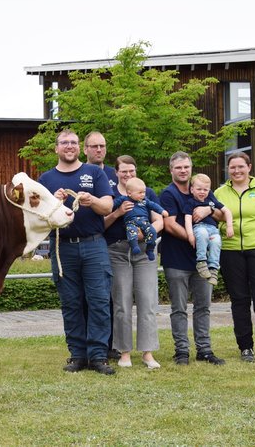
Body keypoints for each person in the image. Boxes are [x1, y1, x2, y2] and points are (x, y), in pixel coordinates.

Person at [39, 129, 115, 375]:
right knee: (71, 303)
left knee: (99, 302)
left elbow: (108, 206)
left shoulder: (94, 172)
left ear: (80, 147)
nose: (69, 146)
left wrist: (92, 200)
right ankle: (77, 355)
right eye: (64, 143)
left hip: (94, 245)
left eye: (73, 142)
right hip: (63, 248)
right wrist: (53, 201)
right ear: (56, 148)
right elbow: (40, 218)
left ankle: (98, 356)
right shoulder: (46, 180)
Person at [160, 151, 226, 366]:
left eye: (186, 167)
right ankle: (181, 351)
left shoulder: (202, 189)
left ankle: (204, 350)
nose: (183, 170)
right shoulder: (168, 194)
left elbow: (220, 215)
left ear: (191, 168)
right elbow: (169, 224)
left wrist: (209, 207)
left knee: (203, 307)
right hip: (176, 259)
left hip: (203, 262)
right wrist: (195, 239)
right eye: (178, 167)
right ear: (171, 170)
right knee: (179, 308)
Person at [214, 152, 255, 363]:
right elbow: (214, 218)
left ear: (249, 167)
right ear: (228, 169)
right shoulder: (219, 192)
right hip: (231, 250)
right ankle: (245, 348)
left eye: (241, 166)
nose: (237, 171)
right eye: (232, 167)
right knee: (239, 300)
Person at [104, 155, 163, 369]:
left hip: (145, 252)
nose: (128, 175)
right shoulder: (110, 195)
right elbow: (102, 224)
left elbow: (160, 220)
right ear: (117, 173)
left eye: (131, 171)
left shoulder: (147, 193)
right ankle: (124, 353)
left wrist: (146, 234)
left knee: (148, 302)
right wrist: (118, 213)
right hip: (118, 252)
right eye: (123, 171)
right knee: (121, 304)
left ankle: (148, 353)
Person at [80, 132, 120, 360]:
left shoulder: (114, 175)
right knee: (84, 298)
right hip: (88, 241)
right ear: (85, 149)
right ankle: (86, 346)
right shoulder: (78, 173)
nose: (98, 150)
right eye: (94, 146)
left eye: (102, 146)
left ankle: (107, 345)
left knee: (105, 299)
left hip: (112, 244)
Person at [184, 173, 234, 286]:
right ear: (192, 189)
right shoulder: (191, 202)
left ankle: (213, 269)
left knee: (216, 241)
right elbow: (187, 219)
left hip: (213, 230)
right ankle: (201, 261)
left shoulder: (211, 201)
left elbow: (227, 211)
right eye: (199, 189)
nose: (202, 192)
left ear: (209, 190)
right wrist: (190, 234)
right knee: (202, 234)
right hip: (199, 227)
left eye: (205, 189)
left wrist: (229, 226)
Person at [112, 177, 168, 261]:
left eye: (144, 192)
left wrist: (162, 211)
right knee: (131, 232)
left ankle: (149, 249)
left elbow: (154, 205)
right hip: (131, 222)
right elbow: (112, 205)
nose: (143, 195)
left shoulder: (145, 201)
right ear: (129, 193)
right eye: (140, 193)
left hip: (144, 221)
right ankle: (134, 246)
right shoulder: (124, 199)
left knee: (152, 232)